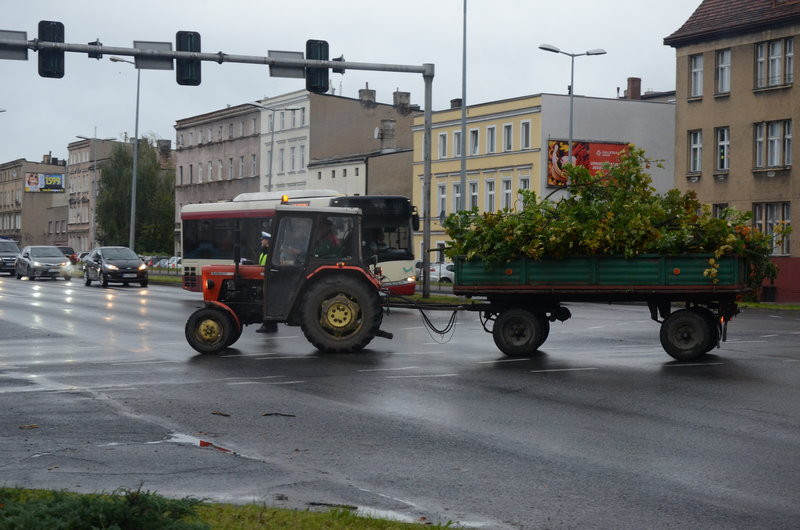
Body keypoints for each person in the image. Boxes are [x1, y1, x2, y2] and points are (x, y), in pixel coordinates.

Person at [256, 231, 278, 334]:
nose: (261, 240)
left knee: (266, 302)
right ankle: (272, 325)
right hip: (264, 278)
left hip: (269, 279)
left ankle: (267, 325)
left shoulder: (269, 252)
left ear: (267, 241)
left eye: (263, 239)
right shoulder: (264, 251)